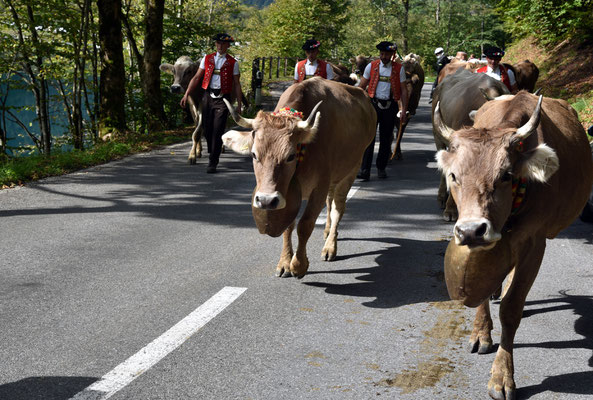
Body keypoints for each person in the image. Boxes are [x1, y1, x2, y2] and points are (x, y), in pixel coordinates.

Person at [181, 33, 242, 173]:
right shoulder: (207, 59)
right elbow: (197, 78)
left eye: (223, 44)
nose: (220, 46)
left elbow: (237, 84)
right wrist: (186, 94)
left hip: (223, 99)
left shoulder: (233, 63)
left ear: (228, 46)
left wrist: (239, 104)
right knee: (207, 129)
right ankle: (212, 152)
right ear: (216, 45)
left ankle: (213, 161)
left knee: (218, 129)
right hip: (207, 96)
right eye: (218, 43)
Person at [356, 41, 408, 181]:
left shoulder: (399, 68)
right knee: (369, 138)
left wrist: (403, 110)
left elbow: (403, 90)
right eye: (382, 54)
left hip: (390, 107)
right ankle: (365, 171)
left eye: (387, 54)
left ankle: (381, 168)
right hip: (373, 105)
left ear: (392, 55)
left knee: (386, 139)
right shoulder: (371, 66)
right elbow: (361, 86)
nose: (384, 56)